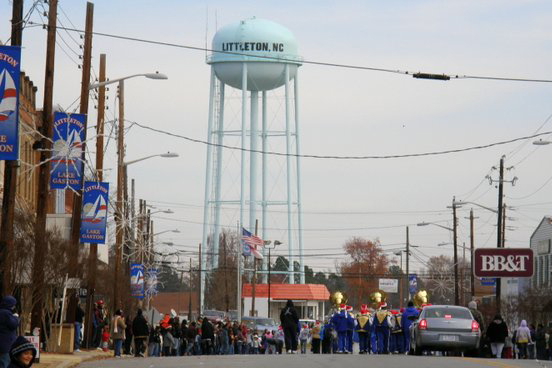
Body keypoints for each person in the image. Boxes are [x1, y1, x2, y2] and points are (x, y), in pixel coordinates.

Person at [0, 296, 19, 368]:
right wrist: (16, 317)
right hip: (5, 344)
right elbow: (13, 325)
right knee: (5, 363)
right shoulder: (6, 313)